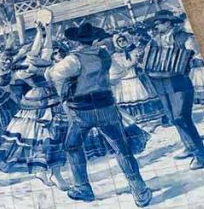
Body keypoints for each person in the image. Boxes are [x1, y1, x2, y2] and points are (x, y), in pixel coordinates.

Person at [46, 22, 152, 207]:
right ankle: (139, 189)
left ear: (75, 42)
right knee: (121, 148)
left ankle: (83, 188)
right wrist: (102, 84)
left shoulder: (73, 59)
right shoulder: (104, 54)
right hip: (106, 107)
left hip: (82, 111)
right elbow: (119, 73)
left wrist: (64, 85)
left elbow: (54, 75)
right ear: (92, 40)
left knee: (72, 146)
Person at [0, 22, 70, 190]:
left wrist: (45, 31)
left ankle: (54, 173)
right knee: (41, 138)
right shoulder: (23, 70)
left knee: (53, 138)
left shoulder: (34, 63)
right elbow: (38, 54)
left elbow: (44, 52)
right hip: (39, 102)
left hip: (51, 101)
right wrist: (42, 34)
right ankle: (43, 171)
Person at [141, 10, 204, 168]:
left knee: (181, 117)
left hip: (179, 82)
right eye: (155, 24)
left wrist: (187, 63)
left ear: (169, 23)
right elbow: (147, 59)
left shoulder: (186, 38)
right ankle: (189, 147)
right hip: (160, 83)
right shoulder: (154, 41)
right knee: (172, 118)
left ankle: (201, 154)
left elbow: (200, 57)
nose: (156, 26)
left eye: (159, 23)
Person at [110, 32, 160, 123]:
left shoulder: (134, 51)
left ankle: (147, 118)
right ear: (116, 43)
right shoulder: (115, 56)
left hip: (135, 78)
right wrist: (134, 59)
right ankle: (133, 119)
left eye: (123, 40)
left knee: (141, 95)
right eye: (119, 41)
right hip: (124, 80)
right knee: (127, 99)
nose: (122, 43)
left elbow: (141, 62)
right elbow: (125, 65)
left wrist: (138, 58)